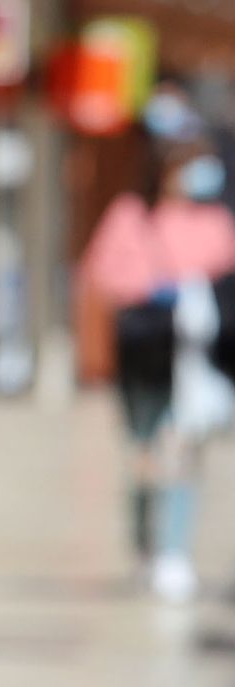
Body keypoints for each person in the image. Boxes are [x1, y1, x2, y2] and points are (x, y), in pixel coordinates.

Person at [81, 135, 235, 602]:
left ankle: (174, 552)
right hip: (144, 354)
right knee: (143, 454)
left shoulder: (216, 221)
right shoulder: (133, 215)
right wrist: (152, 287)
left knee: (182, 453)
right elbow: (102, 274)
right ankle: (147, 546)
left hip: (192, 358)